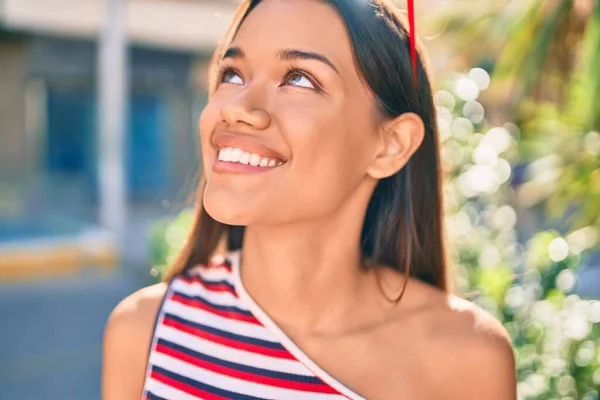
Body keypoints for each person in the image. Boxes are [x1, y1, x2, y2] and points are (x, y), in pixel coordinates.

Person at [102, 0, 517, 399]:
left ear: (390, 145)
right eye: (232, 74)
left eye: (299, 78)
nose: (239, 109)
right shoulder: (143, 334)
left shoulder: (467, 360)